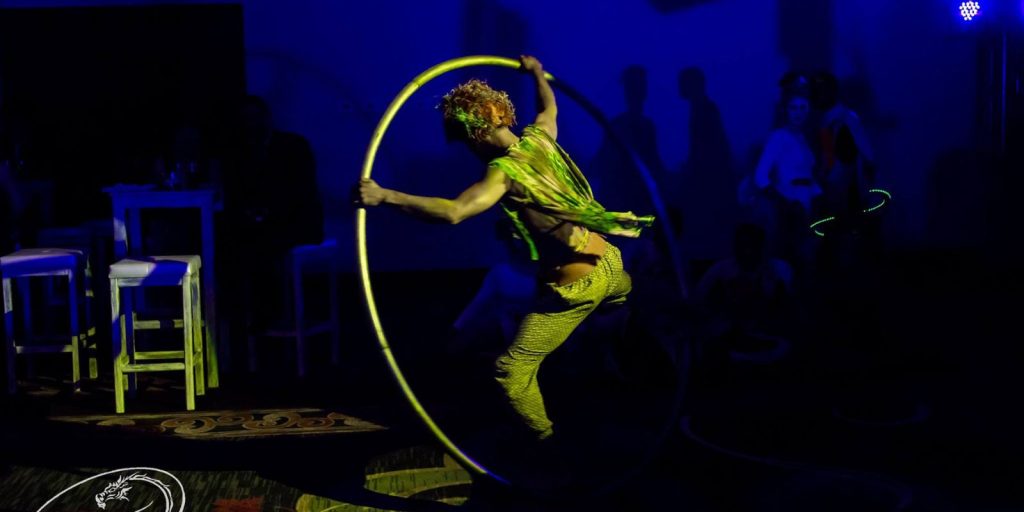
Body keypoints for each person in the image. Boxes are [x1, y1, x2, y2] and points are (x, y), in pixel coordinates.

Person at [357, 55, 654, 441]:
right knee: (623, 304)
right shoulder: (540, 138)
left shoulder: (504, 172)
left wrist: (386, 196)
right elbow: (549, 107)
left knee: (511, 371)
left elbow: (455, 211)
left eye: (465, 139)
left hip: (578, 288)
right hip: (611, 264)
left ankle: (550, 448)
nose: (468, 149)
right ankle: (630, 336)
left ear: (476, 132)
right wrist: (537, 73)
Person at [752, 86, 821, 266]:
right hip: (789, 205)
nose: (799, 113)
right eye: (794, 108)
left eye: (803, 107)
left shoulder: (804, 139)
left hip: (808, 204)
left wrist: (818, 195)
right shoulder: (779, 137)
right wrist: (784, 203)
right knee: (793, 256)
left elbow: (809, 175)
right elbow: (760, 176)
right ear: (786, 110)